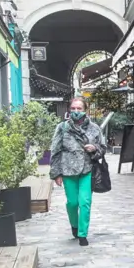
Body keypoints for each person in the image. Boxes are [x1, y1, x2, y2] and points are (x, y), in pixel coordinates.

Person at [50, 97, 106, 247]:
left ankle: (83, 234)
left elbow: (103, 148)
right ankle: (74, 225)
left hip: (87, 169)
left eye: (79, 108)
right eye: (73, 108)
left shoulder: (94, 128)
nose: (76, 111)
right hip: (68, 170)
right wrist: (56, 173)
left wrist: (94, 148)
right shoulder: (62, 128)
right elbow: (55, 150)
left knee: (85, 202)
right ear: (69, 110)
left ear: (85, 110)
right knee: (73, 203)